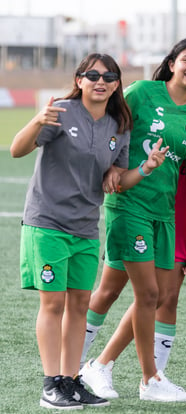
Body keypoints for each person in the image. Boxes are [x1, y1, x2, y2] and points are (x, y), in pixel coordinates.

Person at [79, 38, 186, 403]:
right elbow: (112, 123)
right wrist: (111, 164)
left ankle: (93, 367)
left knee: (127, 291)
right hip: (130, 202)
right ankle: (144, 378)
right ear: (171, 63)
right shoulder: (143, 92)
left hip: (165, 213)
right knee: (151, 294)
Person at [10, 53, 168, 410]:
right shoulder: (61, 111)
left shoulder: (119, 124)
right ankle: (51, 384)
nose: (101, 80)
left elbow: (117, 181)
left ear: (117, 84)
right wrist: (36, 121)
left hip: (85, 226)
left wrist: (144, 168)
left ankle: (70, 380)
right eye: (92, 74)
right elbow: (18, 150)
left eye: (109, 75)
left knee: (80, 304)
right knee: (53, 304)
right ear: (79, 79)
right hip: (47, 222)